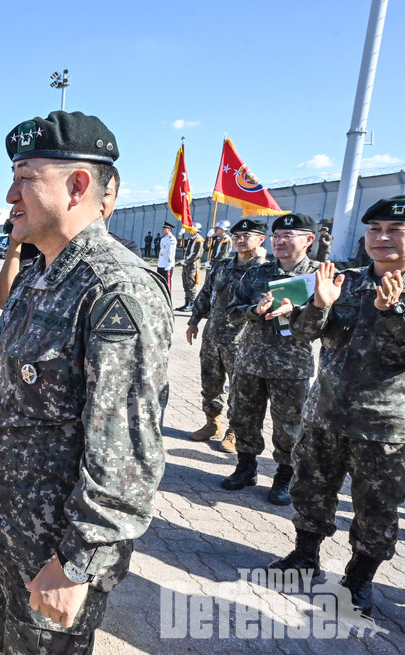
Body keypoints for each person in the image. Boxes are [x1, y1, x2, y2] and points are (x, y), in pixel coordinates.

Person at [0, 111, 171, 654]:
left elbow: (128, 454)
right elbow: (0, 363)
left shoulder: (115, 292)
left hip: (53, 551)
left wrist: (77, 564)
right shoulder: (43, 271)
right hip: (6, 533)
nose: (10, 194)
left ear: (78, 185)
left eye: (25, 178)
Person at [268, 196, 405, 618]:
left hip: (382, 428)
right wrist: (318, 306)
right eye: (374, 229)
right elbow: (305, 333)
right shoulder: (344, 280)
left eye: (394, 230)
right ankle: (304, 556)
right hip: (324, 415)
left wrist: (392, 314)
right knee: (312, 492)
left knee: (375, 510)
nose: (381, 238)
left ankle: (359, 580)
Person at [221, 212, 320, 505]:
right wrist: (255, 310)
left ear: (309, 240)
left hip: (292, 366)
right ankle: (246, 467)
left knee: (289, 425)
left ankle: (284, 475)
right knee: (244, 417)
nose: (280, 241)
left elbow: (330, 320)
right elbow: (232, 309)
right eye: (276, 236)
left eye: (288, 236)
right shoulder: (257, 273)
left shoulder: (319, 276)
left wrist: (299, 313)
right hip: (251, 360)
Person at [0, 168, 135, 308]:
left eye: (105, 194)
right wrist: (15, 243)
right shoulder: (39, 244)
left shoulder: (124, 253)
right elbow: (5, 300)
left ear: (115, 199)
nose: (96, 199)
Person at [185, 219, 267, 452]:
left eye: (246, 236)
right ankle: (212, 423)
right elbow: (206, 293)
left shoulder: (263, 270)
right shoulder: (222, 266)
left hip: (241, 339)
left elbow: (262, 299)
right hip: (213, 335)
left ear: (261, 240)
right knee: (210, 383)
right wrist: (194, 321)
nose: (240, 240)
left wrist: (259, 260)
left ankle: (234, 431)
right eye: (237, 236)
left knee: (239, 388)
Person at [177, 222, 205, 311]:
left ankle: (191, 304)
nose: (189, 231)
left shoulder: (199, 240)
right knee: (185, 284)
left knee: (191, 284)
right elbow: (180, 245)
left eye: (191, 230)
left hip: (192, 265)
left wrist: (186, 261)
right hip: (186, 264)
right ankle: (186, 303)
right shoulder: (190, 239)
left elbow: (197, 254)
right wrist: (180, 236)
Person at [157, 221, 177, 292]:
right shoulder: (163, 239)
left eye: (165, 228)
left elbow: (171, 252)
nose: (163, 230)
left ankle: (168, 296)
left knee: (167, 282)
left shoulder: (171, 239)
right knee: (159, 281)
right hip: (161, 263)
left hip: (167, 264)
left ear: (169, 229)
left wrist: (169, 263)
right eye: (163, 228)